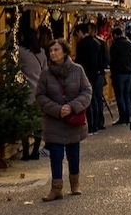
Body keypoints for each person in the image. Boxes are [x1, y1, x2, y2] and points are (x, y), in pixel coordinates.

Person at [33, 38, 92, 200]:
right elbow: (40, 96)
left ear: (65, 52)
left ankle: (75, 184)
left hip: (73, 120)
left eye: (56, 50)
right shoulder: (45, 74)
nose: (53, 53)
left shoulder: (77, 70)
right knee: (56, 155)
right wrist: (58, 110)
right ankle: (56, 188)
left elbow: (87, 91)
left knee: (74, 153)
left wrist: (72, 106)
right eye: (50, 51)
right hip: (54, 121)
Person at [18, 29, 48, 160]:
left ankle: (25, 152)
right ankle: (35, 150)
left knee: (24, 123)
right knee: (38, 123)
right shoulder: (41, 53)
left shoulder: (20, 52)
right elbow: (46, 71)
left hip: (26, 92)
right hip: (40, 92)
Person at [74, 21, 108, 134]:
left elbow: (79, 62)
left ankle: (91, 126)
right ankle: (97, 124)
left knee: (88, 101)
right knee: (95, 100)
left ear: (80, 32)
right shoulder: (97, 43)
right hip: (96, 74)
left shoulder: (82, 44)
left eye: (77, 33)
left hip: (86, 75)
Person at [108, 24, 131, 126]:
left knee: (120, 96)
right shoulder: (129, 44)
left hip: (118, 73)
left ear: (115, 35)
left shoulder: (115, 45)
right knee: (127, 95)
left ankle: (123, 117)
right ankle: (128, 117)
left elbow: (111, 60)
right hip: (129, 73)